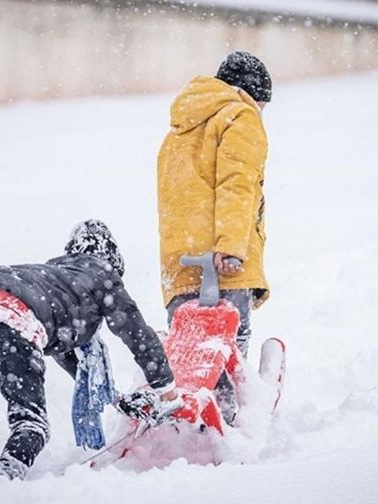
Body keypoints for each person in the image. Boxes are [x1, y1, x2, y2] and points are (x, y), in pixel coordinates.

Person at [0, 220, 180, 500]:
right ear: (112, 259)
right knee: (32, 424)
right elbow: (137, 334)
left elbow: (72, 362)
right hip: (13, 315)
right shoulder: (102, 274)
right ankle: (1, 483)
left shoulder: (55, 279)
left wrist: (117, 399)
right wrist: (167, 391)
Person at [156, 51, 272, 421]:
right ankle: (232, 420)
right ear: (251, 94)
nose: (262, 112)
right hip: (223, 260)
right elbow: (237, 186)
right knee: (228, 348)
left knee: (191, 354)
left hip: (179, 263)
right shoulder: (240, 115)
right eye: (263, 104)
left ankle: (191, 419)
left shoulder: (179, 127)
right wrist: (231, 247)